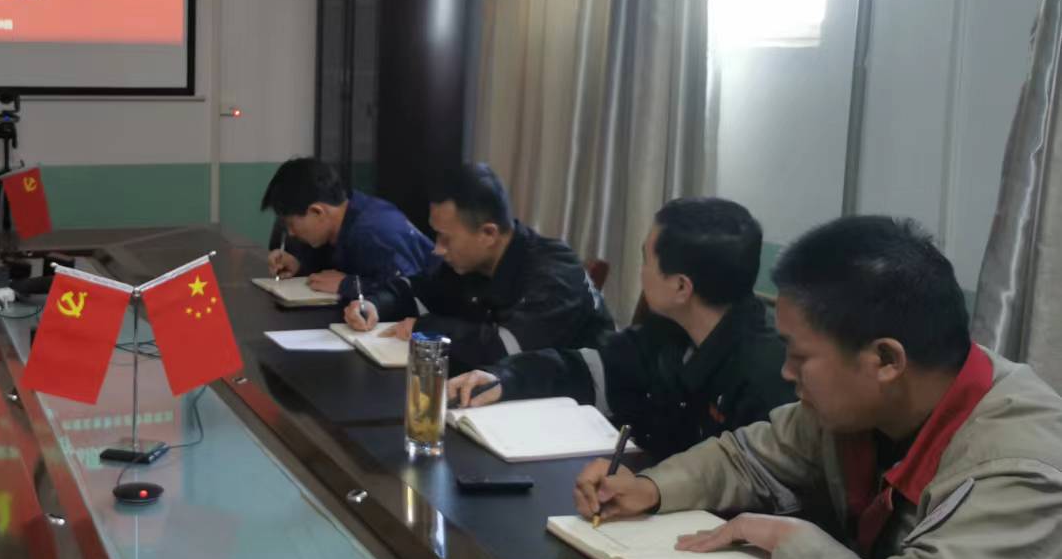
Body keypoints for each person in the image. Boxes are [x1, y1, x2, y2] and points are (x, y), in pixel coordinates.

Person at [576, 215, 1062, 559]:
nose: (786, 372)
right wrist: (650, 488)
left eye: (800, 355)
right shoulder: (862, 406)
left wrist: (788, 539)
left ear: (886, 359)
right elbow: (745, 457)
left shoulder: (1019, 467)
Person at [448, 197, 792, 459]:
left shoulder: (767, 376)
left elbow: (754, 485)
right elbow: (592, 367)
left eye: (646, 260)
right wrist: (506, 378)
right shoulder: (670, 330)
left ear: (681, 287)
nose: (642, 272)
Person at [346, 162, 612, 369]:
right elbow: (421, 291)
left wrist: (427, 328)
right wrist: (374, 304)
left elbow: (506, 350)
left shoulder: (554, 270)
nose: (438, 249)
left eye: (446, 238)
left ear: (488, 234)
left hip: (582, 411)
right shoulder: (472, 261)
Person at [261, 157, 435, 309]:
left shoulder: (372, 231)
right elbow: (336, 269)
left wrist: (349, 285)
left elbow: (409, 292)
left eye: (291, 224)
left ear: (317, 212)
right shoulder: (342, 218)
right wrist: (300, 265)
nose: (290, 233)